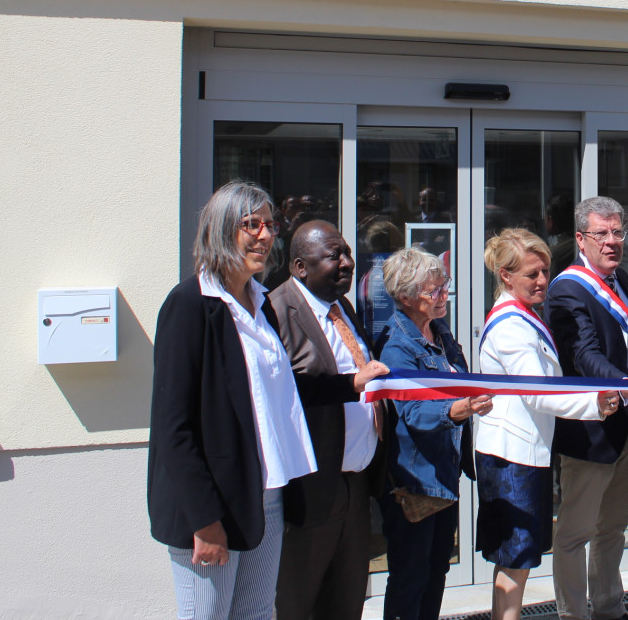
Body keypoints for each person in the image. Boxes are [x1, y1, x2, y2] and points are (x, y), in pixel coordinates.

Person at [148, 182, 376, 620]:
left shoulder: (260, 304)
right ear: (220, 230)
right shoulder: (191, 306)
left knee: (256, 615)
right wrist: (204, 519)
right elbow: (173, 427)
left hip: (267, 495)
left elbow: (286, 390)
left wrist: (352, 384)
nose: (265, 235)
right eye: (251, 224)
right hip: (215, 502)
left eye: (270, 225)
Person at [477, 228, 621, 620]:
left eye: (545, 271)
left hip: (524, 452)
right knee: (515, 559)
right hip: (511, 456)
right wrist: (596, 402)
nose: (543, 281)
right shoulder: (510, 326)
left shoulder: (525, 315)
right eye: (532, 274)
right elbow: (538, 393)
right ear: (506, 276)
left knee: (517, 560)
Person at [267, 220, 393, 620]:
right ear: (300, 267)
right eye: (333, 255)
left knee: (346, 599)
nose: (346, 263)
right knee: (297, 603)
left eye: (347, 253)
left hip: (355, 485)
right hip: (311, 490)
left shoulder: (342, 309)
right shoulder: (276, 311)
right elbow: (283, 391)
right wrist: (351, 383)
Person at [547, 197, 628, 620]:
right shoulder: (566, 289)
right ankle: (573, 614)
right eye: (602, 234)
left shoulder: (623, 280)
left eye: (618, 232)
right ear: (580, 238)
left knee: (612, 528)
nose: (613, 242)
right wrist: (626, 385)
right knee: (575, 533)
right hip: (591, 430)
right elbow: (584, 355)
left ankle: (609, 609)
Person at [379, 246, 494, 620]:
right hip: (416, 480)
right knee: (411, 576)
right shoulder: (397, 347)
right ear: (405, 297)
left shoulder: (441, 333)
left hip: (444, 474)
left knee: (436, 570)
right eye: (435, 291)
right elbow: (411, 413)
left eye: (445, 286)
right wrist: (460, 409)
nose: (444, 296)